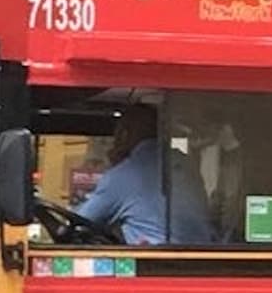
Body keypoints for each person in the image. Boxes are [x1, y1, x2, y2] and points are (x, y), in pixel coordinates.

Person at [73, 104, 216, 246]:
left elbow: (79, 222)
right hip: (204, 258)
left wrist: (115, 168)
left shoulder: (125, 173)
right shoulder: (186, 163)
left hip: (155, 262)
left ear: (124, 134)